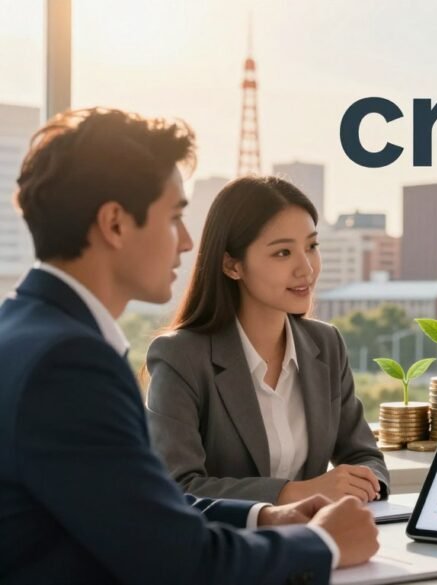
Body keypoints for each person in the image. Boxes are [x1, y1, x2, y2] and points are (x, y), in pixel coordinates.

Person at [0, 108, 378, 584]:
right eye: (176, 217)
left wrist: (264, 516)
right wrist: (323, 545)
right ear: (115, 223)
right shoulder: (68, 363)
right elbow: (178, 561)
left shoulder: (26, 331)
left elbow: (142, 509)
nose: (185, 242)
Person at [145, 176, 389, 505]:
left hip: (323, 541)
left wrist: (361, 484)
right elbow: (178, 487)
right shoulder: (180, 356)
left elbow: (365, 457)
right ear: (232, 265)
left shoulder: (326, 344)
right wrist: (298, 494)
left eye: (312, 247)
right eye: (283, 253)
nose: (306, 268)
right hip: (231, 548)